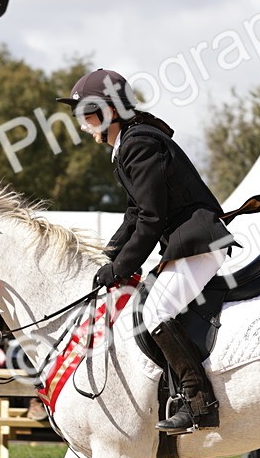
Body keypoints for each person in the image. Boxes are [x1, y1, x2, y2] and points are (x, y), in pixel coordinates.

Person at [57, 68, 235, 433]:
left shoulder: (138, 144)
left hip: (197, 243)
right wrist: (109, 258)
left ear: (107, 112)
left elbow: (151, 218)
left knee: (155, 312)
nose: (81, 124)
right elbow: (135, 212)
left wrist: (121, 267)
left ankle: (199, 402)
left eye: (85, 114)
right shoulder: (129, 144)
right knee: (146, 307)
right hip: (183, 244)